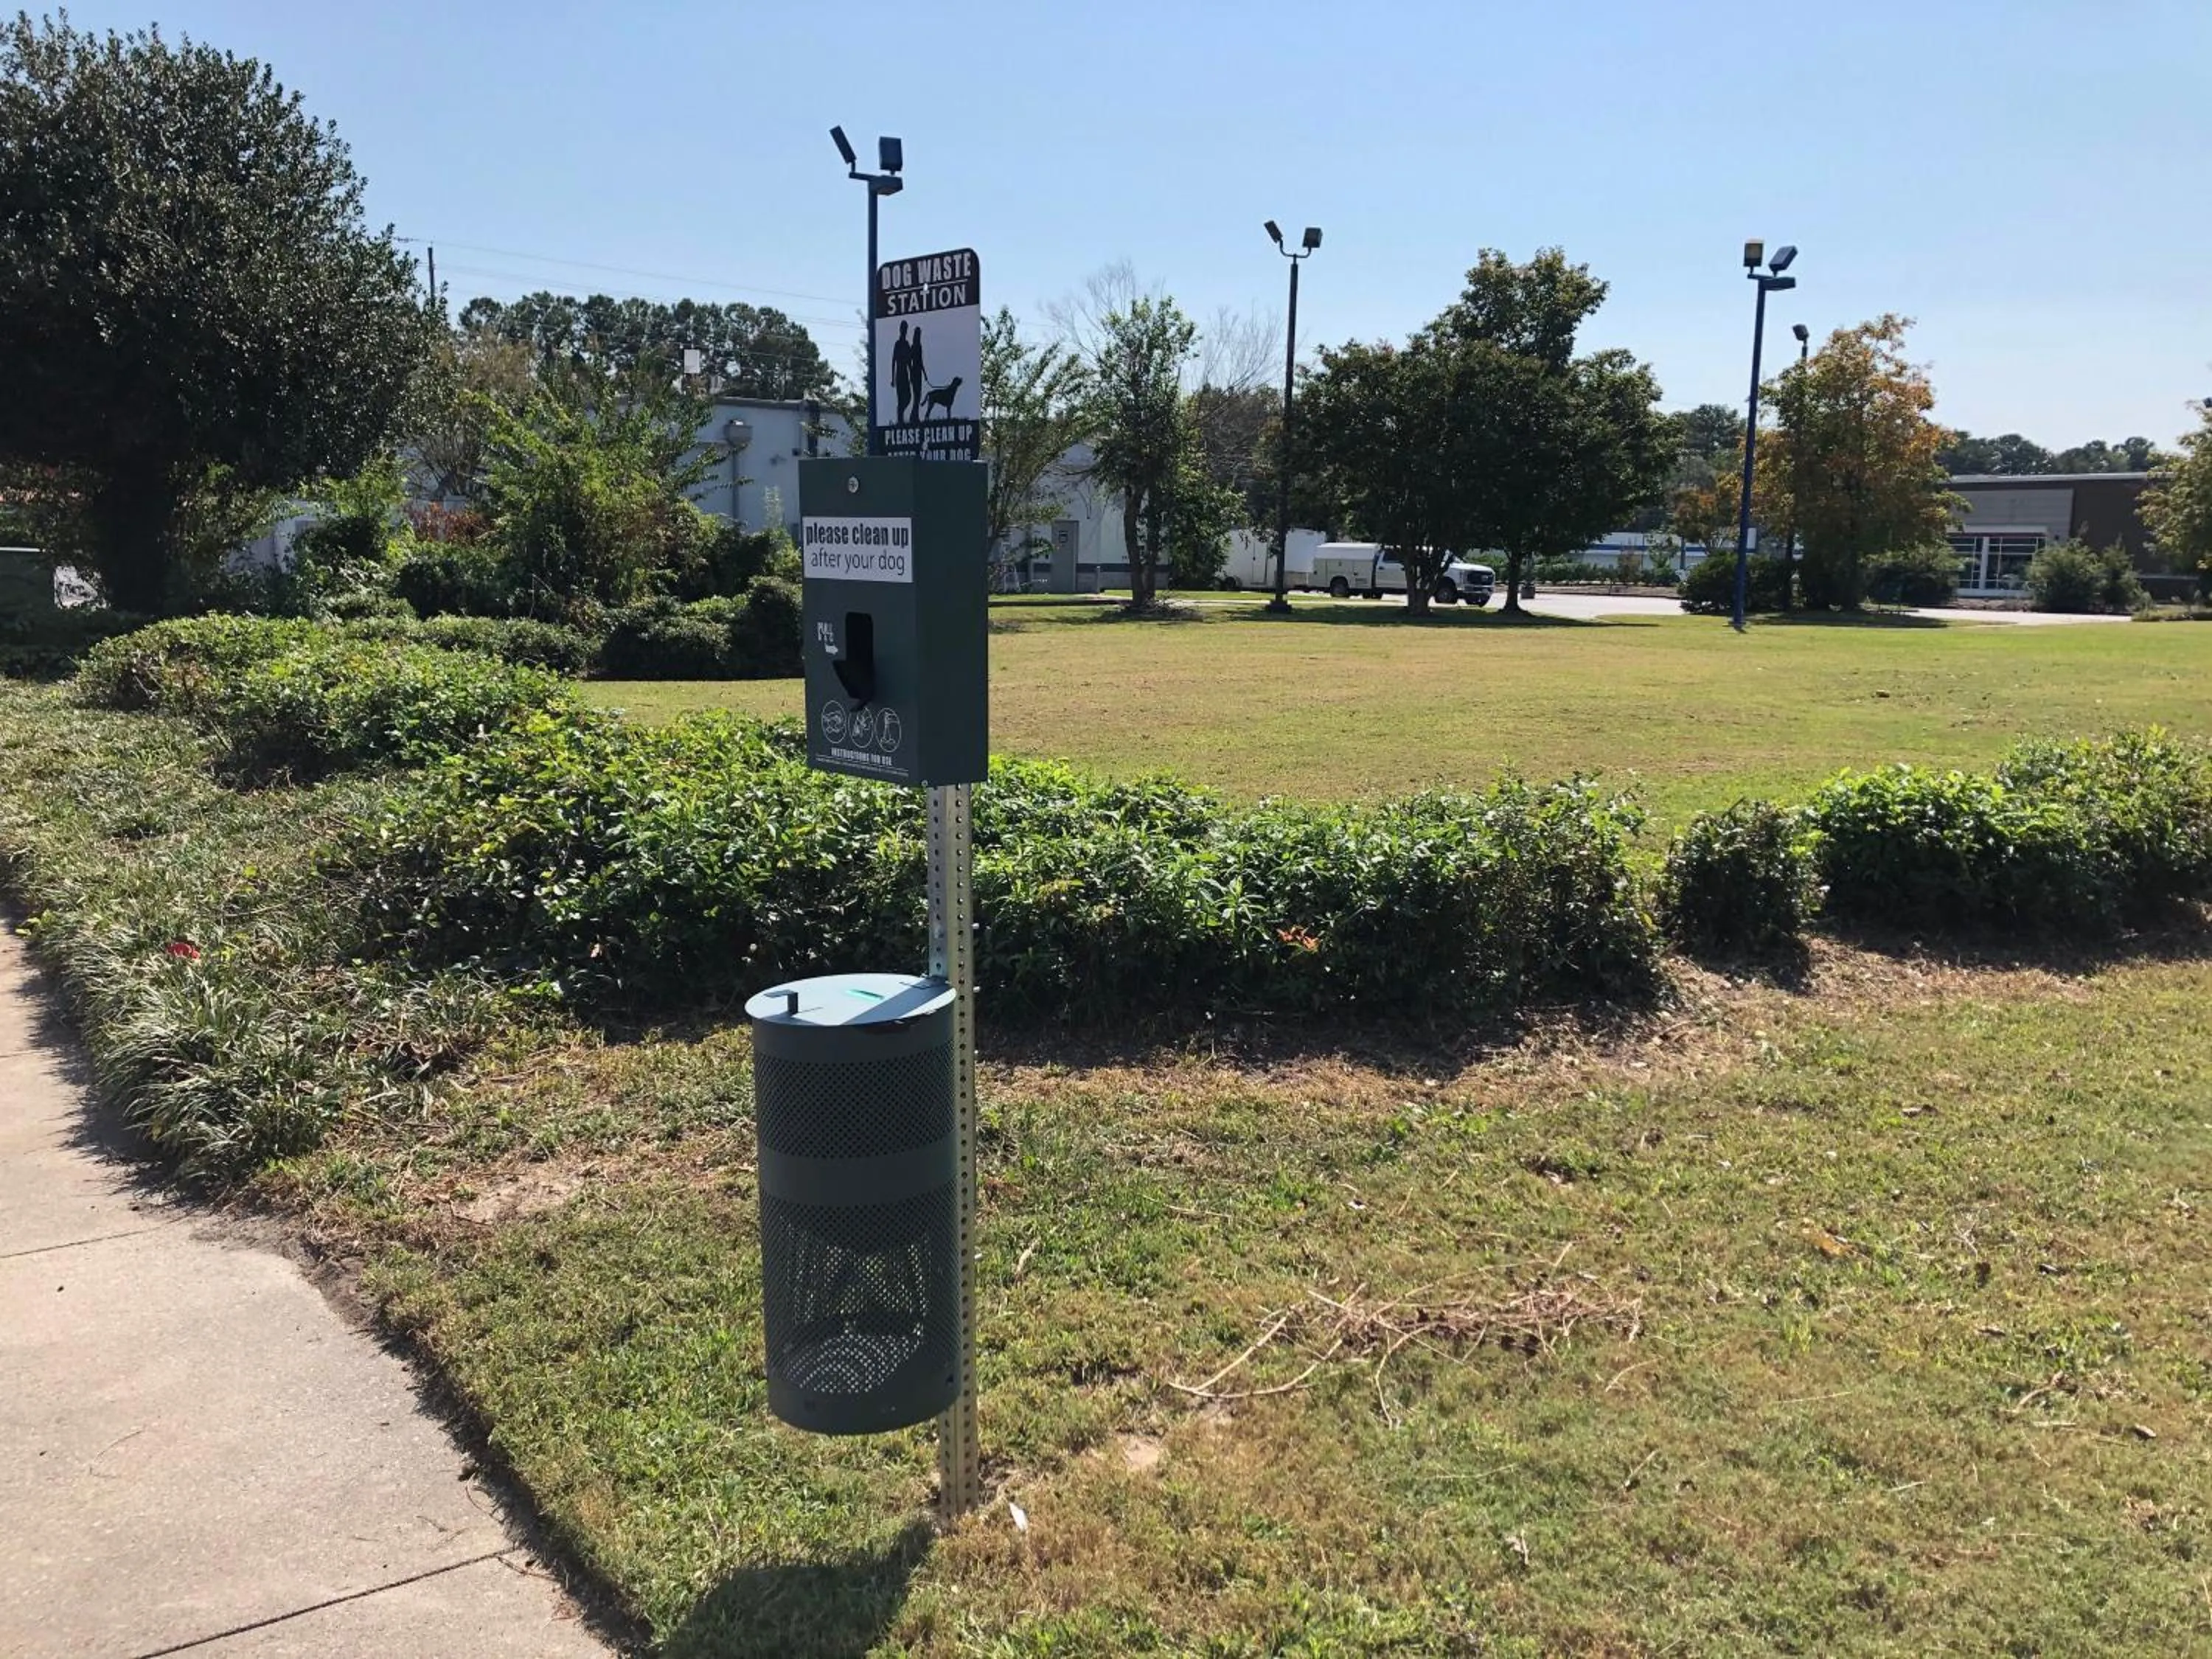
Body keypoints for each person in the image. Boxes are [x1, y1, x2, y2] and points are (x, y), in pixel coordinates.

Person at [889, 321, 914, 424]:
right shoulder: (898, 344)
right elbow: (893, 361)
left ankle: (900, 414)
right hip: (899, 375)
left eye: (906, 329)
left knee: (908, 397)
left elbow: (909, 362)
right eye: (903, 329)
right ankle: (900, 421)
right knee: (900, 399)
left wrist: (911, 375)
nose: (905, 331)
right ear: (900, 330)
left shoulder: (907, 344)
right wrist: (892, 378)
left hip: (905, 375)